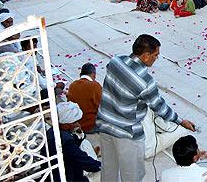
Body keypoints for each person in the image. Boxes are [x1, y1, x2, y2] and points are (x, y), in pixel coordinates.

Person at [96, 34, 195, 182]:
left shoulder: (115, 61)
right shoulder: (145, 82)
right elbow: (160, 108)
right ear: (146, 55)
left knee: (108, 170)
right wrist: (180, 121)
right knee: (132, 175)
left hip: (105, 124)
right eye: (156, 55)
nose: (156, 59)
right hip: (126, 133)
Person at [44, 102, 101, 182]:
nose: (77, 124)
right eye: (74, 122)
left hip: (57, 175)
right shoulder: (65, 140)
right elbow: (86, 162)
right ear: (65, 125)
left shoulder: (53, 131)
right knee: (101, 173)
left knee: (85, 144)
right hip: (66, 178)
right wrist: (101, 166)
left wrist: (79, 136)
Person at [67, 63, 102, 134]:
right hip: (89, 124)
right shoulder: (95, 86)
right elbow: (101, 107)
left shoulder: (72, 85)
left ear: (80, 75)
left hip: (75, 124)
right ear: (94, 75)